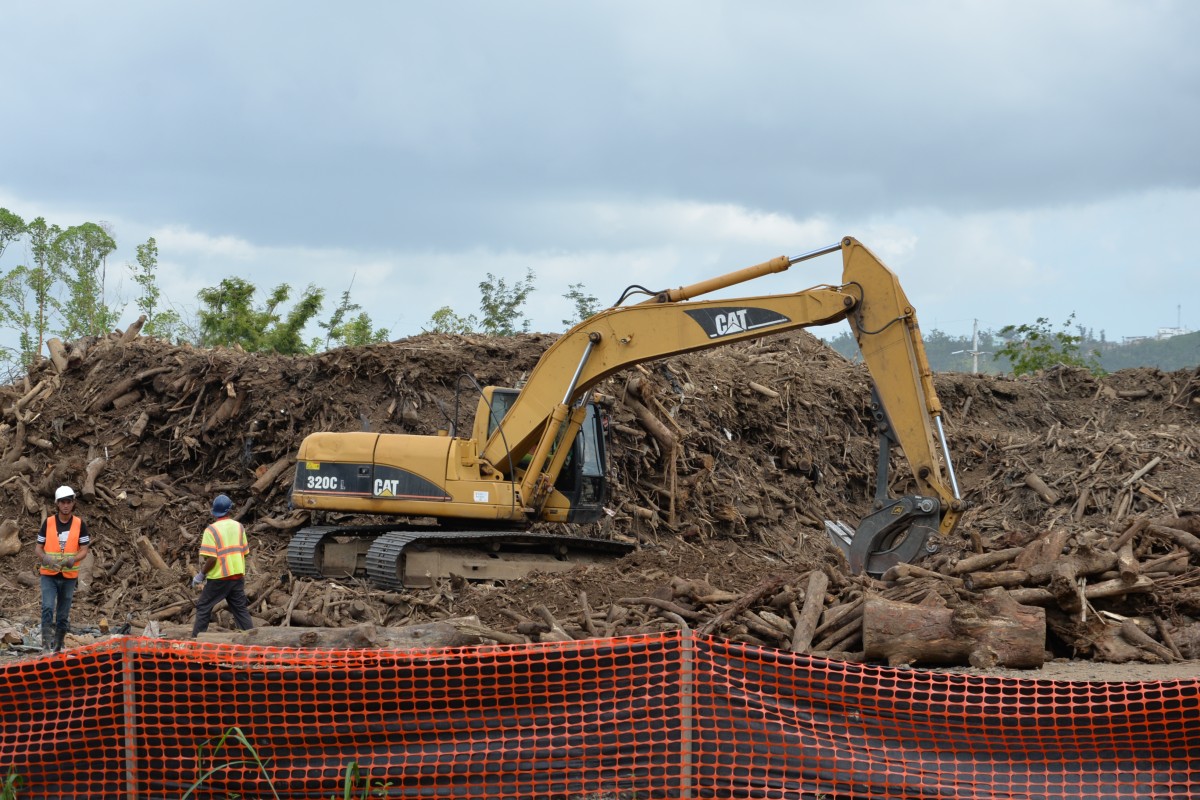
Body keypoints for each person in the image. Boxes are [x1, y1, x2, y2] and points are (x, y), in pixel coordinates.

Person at [36, 485, 91, 652]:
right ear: (57, 504)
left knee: (63, 614)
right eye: (62, 502)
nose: (66, 505)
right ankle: (46, 647)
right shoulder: (49, 522)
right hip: (49, 574)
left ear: (73, 503)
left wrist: (73, 559)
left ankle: (58, 647)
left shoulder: (80, 524)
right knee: (47, 607)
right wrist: (45, 557)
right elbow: (38, 547)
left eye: (69, 502)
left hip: (69, 575)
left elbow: (84, 549)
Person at [191, 493, 254, 636]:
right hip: (237, 576)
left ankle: (195, 643)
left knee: (203, 607)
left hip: (219, 577)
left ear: (215, 512)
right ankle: (253, 641)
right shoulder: (239, 527)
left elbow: (212, 559)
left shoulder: (211, 530)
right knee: (240, 610)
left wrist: (201, 575)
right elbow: (245, 552)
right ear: (230, 510)